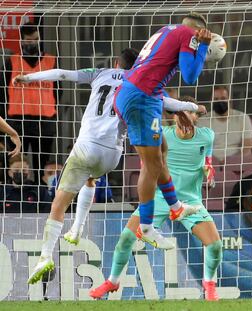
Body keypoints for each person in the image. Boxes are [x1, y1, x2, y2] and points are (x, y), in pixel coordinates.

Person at [18, 48, 206, 285]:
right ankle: (77, 229)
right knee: (91, 179)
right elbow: (166, 101)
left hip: (87, 145)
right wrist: (193, 108)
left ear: (116, 63)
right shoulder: (143, 83)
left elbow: (63, 74)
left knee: (60, 202)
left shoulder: (100, 73)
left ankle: (45, 256)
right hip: (112, 154)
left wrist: (28, 77)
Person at [90, 100, 222, 301]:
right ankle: (112, 281)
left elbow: (208, 164)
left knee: (214, 245)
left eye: (190, 113)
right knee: (125, 239)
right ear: (174, 116)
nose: (184, 116)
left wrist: (209, 174)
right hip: (160, 197)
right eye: (180, 112)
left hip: (190, 200)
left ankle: (209, 287)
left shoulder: (207, 136)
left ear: (197, 117)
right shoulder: (162, 134)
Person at [114, 13, 211, 249]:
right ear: (198, 31)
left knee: (161, 152)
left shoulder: (165, 30)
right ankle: (146, 227)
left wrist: (177, 109)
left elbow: (151, 73)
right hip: (142, 99)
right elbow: (190, 76)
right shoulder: (189, 35)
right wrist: (203, 47)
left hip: (136, 94)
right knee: (151, 165)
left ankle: (176, 208)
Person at [2, 22, 58, 180]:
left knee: (42, 162)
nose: (32, 43)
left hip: (44, 119)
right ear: (22, 40)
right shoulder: (11, 61)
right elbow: (3, 91)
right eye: (28, 40)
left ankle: (40, 194)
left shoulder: (50, 61)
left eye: (35, 39)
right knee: (17, 162)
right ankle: (17, 195)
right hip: (18, 119)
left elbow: (58, 90)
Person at [197, 86, 252, 162]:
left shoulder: (242, 118)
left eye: (223, 98)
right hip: (209, 163)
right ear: (211, 101)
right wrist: (212, 161)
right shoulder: (202, 121)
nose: (220, 101)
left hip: (236, 162)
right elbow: (200, 147)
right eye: (216, 99)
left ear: (229, 99)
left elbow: (248, 146)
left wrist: (233, 161)